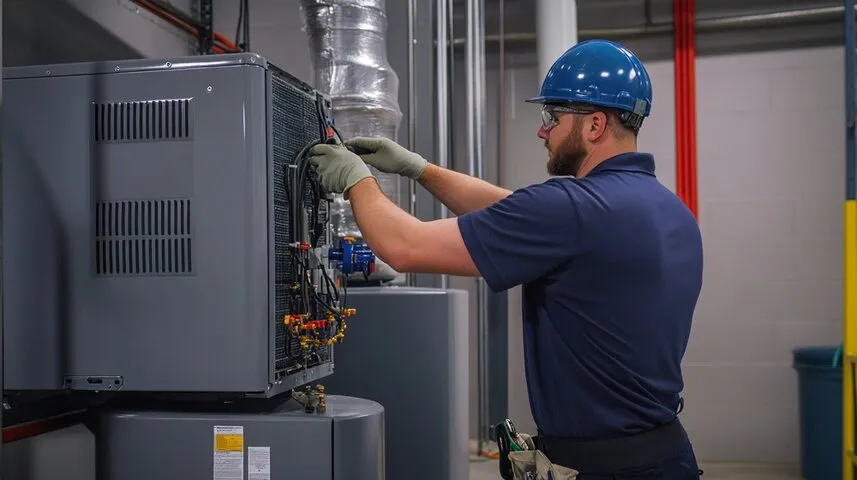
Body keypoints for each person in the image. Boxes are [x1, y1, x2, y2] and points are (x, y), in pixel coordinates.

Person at [308, 39, 704, 479]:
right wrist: (419, 169)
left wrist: (356, 179)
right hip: (669, 458)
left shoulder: (571, 210)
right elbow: (516, 212)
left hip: (601, 469)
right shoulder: (669, 211)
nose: (542, 130)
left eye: (552, 117)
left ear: (594, 124)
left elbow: (404, 246)